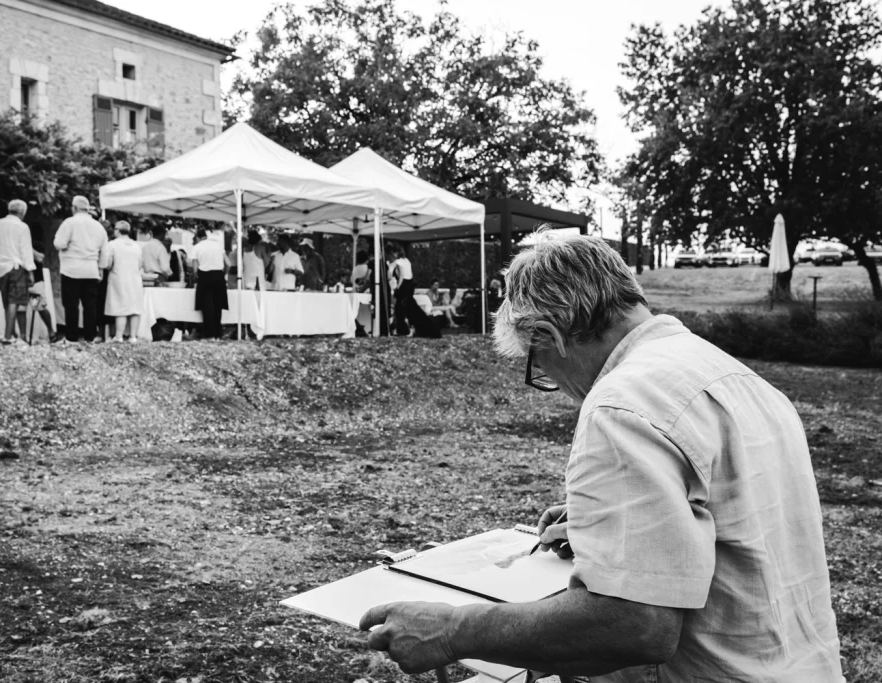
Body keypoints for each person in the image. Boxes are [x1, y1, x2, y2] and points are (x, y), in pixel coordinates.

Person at [359, 235, 843, 682]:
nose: (556, 386)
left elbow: (635, 626)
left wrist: (452, 631)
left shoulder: (620, 405)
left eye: (539, 368)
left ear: (550, 334)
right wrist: (625, 531)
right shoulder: (738, 378)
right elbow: (740, 523)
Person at [53, 195, 107, 343]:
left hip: (71, 269)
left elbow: (59, 243)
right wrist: (101, 269)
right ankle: (90, 337)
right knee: (90, 305)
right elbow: (105, 251)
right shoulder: (98, 226)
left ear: (74, 208)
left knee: (71, 305)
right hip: (91, 270)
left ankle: (71, 337)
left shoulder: (69, 223)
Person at [0, 199, 35, 344]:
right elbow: (26, 252)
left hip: (2, 268)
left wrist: (1, 253)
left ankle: (12, 335)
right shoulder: (22, 227)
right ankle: (8, 336)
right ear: (23, 212)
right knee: (15, 301)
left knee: (7, 301)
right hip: (17, 267)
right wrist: (30, 271)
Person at [102, 221, 145, 343]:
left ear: (117, 230)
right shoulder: (136, 245)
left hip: (118, 278)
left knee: (120, 307)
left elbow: (108, 264)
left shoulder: (112, 244)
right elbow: (140, 264)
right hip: (135, 279)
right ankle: (133, 337)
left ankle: (119, 336)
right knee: (135, 308)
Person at [189, 228, 230, 339]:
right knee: (218, 306)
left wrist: (196, 276)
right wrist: (223, 274)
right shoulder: (217, 245)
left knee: (207, 306)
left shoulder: (197, 247)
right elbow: (228, 263)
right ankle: (218, 334)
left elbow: (194, 269)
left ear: (198, 238)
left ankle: (209, 334)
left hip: (205, 276)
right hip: (219, 276)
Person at [386, 244, 415, 335]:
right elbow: (410, 274)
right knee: (407, 307)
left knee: (399, 308)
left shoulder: (398, 262)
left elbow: (400, 275)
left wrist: (398, 287)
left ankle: (401, 328)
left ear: (396, 253)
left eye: (393, 253)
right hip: (410, 284)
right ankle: (407, 328)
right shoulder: (407, 261)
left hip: (403, 284)